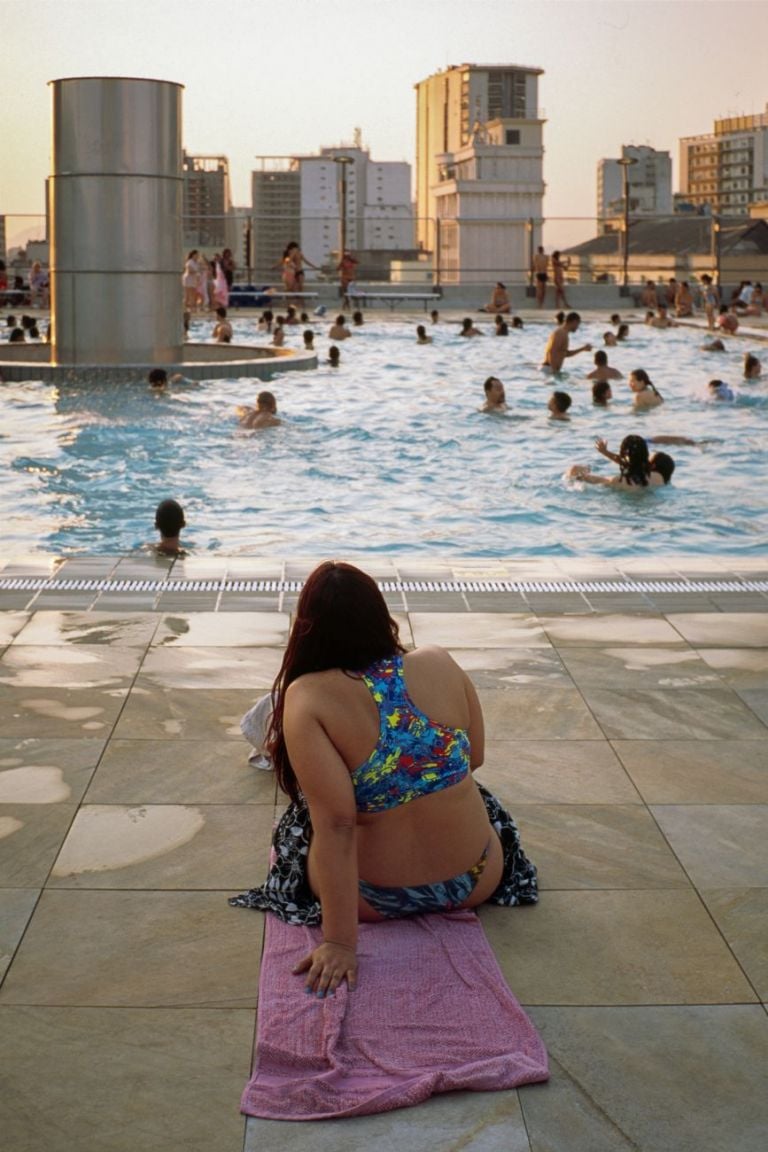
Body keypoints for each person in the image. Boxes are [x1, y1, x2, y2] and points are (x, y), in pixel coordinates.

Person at [229, 561, 538, 992]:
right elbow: (475, 758)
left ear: (308, 628)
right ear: (380, 613)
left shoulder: (308, 696)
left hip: (370, 898)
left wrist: (339, 942)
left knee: (307, 817)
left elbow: (337, 824)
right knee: (457, 787)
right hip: (477, 877)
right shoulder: (439, 662)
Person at [569, 435, 668, 488]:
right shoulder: (658, 478)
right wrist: (606, 452)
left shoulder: (617, 481)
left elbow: (630, 463)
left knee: (574, 470)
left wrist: (577, 472)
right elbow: (634, 463)